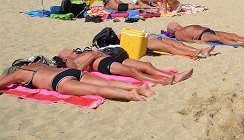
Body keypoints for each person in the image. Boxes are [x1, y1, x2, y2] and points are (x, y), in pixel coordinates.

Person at [0, 60, 155, 101]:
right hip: (69, 71)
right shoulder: (36, 64)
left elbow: (2, 83)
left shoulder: (19, 73)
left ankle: (131, 95)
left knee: (96, 90)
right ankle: (140, 87)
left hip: (59, 81)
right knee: (106, 82)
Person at [56, 48, 193, 85]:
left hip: (109, 58)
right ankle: (162, 81)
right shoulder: (70, 61)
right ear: (65, 57)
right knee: (133, 71)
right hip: (103, 64)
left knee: (146, 65)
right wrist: (92, 56)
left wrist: (96, 53)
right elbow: (77, 71)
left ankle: (172, 75)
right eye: (70, 51)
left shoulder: (80, 53)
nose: (74, 51)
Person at [166, 21, 244, 48]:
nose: (179, 25)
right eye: (177, 25)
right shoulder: (178, 33)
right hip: (203, 35)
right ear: (173, 29)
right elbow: (185, 40)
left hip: (208, 31)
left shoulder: (181, 29)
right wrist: (196, 41)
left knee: (232, 35)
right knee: (220, 38)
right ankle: (242, 44)